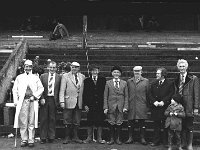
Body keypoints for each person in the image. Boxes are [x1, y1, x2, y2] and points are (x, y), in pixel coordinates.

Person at [12, 60, 44, 147]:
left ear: (32, 67)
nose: (28, 68)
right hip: (22, 101)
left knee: (32, 120)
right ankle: (24, 139)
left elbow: (41, 88)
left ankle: (31, 139)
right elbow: (15, 90)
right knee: (23, 121)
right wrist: (16, 101)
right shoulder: (19, 77)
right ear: (24, 67)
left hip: (32, 101)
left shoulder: (35, 77)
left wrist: (34, 96)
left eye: (30, 66)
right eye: (26, 66)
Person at [174, 59, 199, 150]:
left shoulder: (193, 78)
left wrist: (196, 107)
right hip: (180, 106)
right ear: (178, 68)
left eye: (183, 66)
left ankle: (189, 144)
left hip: (189, 105)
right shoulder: (177, 78)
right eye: (180, 66)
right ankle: (184, 143)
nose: (182, 68)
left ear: (186, 67)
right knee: (182, 125)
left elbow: (196, 94)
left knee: (189, 125)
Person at [59, 62, 85, 144]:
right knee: (67, 120)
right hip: (68, 100)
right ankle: (67, 137)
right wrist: (62, 101)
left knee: (77, 120)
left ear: (79, 68)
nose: (74, 69)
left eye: (76, 67)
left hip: (79, 101)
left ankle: (75, 137)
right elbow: (62, 90)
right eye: (73, 67)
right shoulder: (65, 76)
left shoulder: (82, 76)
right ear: (70, 67)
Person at [149, 67, 174, 147]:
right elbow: (150, 94)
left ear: (163, 75)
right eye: (156, 73)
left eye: (158, 73)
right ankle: (156, 141)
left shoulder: (169, 83)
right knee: (156, 125)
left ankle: (165, 142)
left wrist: (163, 101)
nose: (156, 75)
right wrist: (154, 102)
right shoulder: (153, 83)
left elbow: (171, 94)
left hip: (165, 107)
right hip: (155, 107)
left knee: (165, 125)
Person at [104, 65, 128, 145]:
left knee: (119, 122)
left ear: (120, 74)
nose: (116, 73)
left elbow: (126, 96)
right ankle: (111, 138)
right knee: (111, 122)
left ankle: (117, 138)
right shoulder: (108, 83)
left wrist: (125, 106)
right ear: (112, 73)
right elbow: (105, 96)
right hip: (111, 106)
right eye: (114, 72)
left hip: (120, 106)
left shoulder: (124, 83)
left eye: (118, 72)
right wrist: (105, 107)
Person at [125, 66, 149, 145]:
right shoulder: (129, 81)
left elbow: (148, 94)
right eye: (135, 71)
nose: (137, 72)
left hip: (141, 104)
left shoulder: (146, 81)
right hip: (131, 104)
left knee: (142, 122)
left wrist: (147, 104)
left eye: (138, 71)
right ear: (133, 72)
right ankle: (130, 137)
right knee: (130, 121)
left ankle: (142, 138)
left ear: (141, 72)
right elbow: (127, 93)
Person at [82, 64, 106, 144]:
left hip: (100, 104)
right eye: (93, 70)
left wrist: (105, 105)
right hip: (90, 105)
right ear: (91, 72)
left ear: (98, 71)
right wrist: (85, 104)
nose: (94, 72)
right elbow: (84, 93)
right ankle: (89, 137)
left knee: (100, 121)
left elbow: (105, 93)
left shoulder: (103, 80)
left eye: (96, 70)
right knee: (90, 121)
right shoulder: (87, 81)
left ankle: (99, 138)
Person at [39, 61, 61, 144]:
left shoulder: (59, 77)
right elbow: (39, 88)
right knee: (43, 118)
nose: (52, 69)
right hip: (45, 99)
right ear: (48, 67)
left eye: (54, 67)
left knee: (52, 118)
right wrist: (41, 98)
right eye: (51, 67)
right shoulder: (43, 76)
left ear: (56, 68)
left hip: (53, 100)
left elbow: (59, 89)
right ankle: (43, 137)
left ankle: (51, 136)